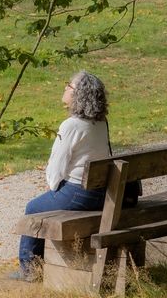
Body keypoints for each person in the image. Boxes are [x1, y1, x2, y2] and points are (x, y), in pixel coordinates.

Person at [11, 71, 111, 281]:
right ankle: (35, 267)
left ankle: (29, 270)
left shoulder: (71, 125)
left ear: (79, 94)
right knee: (41, 204)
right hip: (102, 193)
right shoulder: (101, 123)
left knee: (33, 208)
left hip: (78, 193)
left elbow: (57, 166)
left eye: (69, 86)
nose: (65, 88)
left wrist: (54, 189)